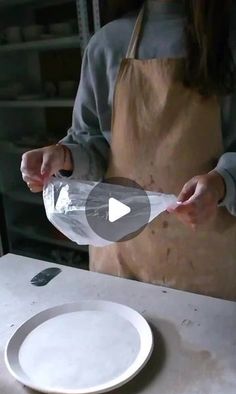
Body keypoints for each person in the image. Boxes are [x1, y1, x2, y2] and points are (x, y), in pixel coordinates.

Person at [21, 0, 236, 300]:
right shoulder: (106, 45)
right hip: (122, 256)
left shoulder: (227, 39)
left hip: (208, 261)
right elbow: (92, 144)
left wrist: (223, 183)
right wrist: (65, 157)